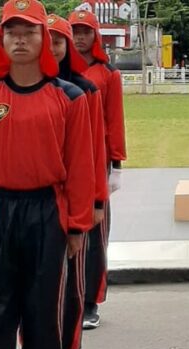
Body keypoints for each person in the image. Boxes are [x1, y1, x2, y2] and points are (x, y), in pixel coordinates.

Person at [0, 0, 95, 349]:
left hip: (48, 211)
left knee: (43, 316)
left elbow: (80, 167)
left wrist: (78, 225)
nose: (20, 40)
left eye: (29, 31)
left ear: (43, 39)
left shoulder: (69, 98)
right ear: (0, 40)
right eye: (11, 32)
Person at [48, 13, 108, 349]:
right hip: (33, 203)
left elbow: (94, 150)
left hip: (76, 194)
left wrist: (98, 197)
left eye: (59, 40)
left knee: (73, 274)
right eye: (47, 39)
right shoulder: (8, 90)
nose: (52, 47)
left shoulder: (84, 89)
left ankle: (65, 347)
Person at [69, 9, 127, 329]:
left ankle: (90, 300)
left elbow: (114, 121)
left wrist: (115, 164)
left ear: (96, 35)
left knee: (94, 231)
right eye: (74, 31)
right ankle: (65, 296)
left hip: (96, 160)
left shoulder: (107, 74)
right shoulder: (58, 72)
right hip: (63, 161)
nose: (79, 38)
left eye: (85, 31)